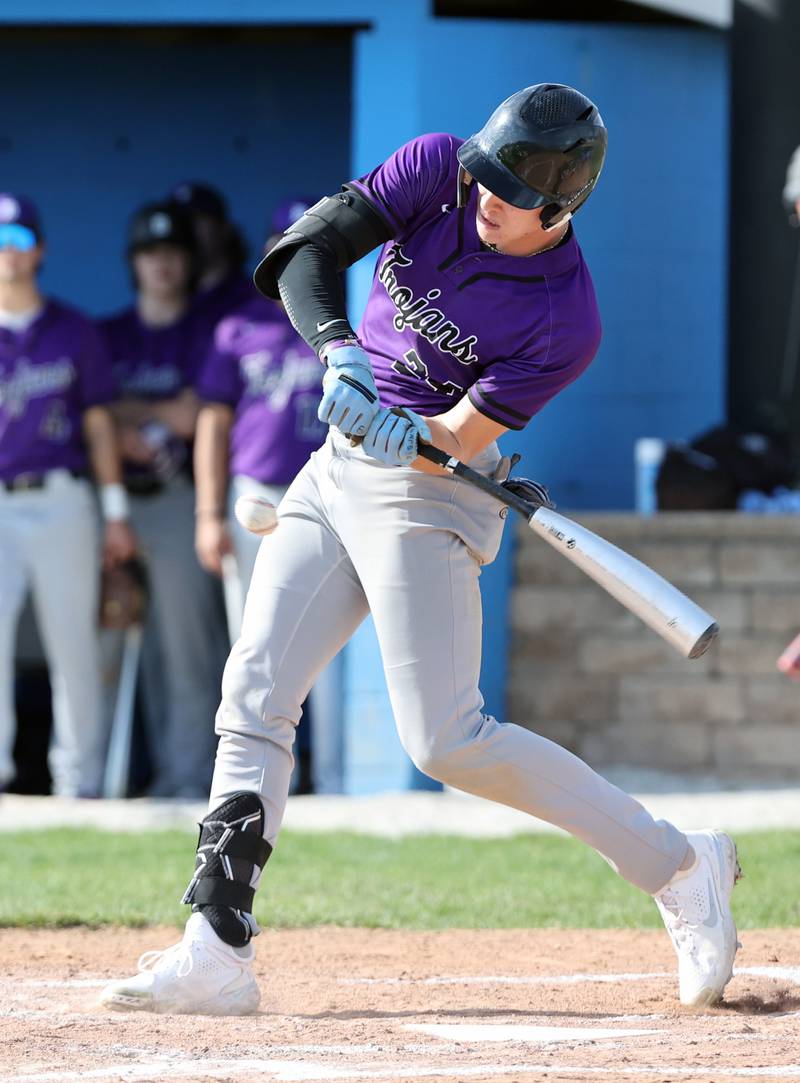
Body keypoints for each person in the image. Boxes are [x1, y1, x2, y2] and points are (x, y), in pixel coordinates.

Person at [100, 83, 741, 1015]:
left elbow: (455, 444)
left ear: (560, 209)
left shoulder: (566, 321)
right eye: (484, 178)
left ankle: (682, 864)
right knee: (255, 689)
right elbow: (304, 254)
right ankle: (217, 944)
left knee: (446, 739)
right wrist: (339, 353)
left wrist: (423, 436)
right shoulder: (438, 166)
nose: (483, 197)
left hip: (431, 499)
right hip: (331, 469)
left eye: (510, 194)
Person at [193, 198, 343, 794]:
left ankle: (331, 782)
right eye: (285, 239)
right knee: (252, 646)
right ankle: (252, 786)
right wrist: (208, 514)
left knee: (329, 651)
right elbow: (211, 422)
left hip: (328, 493)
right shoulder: (237, 326)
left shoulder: (345, 322)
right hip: (256, 494)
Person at [0, 193, 136, 797]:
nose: (9, 253)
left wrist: (115, 515)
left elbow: (100, 425)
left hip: (63, 500)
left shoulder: (74, 329)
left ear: (41, 250)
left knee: (73, 643)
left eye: (20, 240)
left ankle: (77, 780)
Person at [98, 201, 228, 799]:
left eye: (173, 253)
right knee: (111, 645)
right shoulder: (108, 333)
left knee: (186, 650)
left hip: (180, 501)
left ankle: (185, 781)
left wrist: (128, 415)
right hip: (112, 505)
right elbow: (92, 412)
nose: (162, 265)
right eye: (151, 254)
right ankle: (98, 781)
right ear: (134, 262)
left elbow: (198, 413)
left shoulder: (211, 328)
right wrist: (151, 415)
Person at [168, 181, 255, 330]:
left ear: (224, 229)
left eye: (195, 221)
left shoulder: (252, 297)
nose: (186, 231)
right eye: (179, 223)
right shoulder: (168, 301)